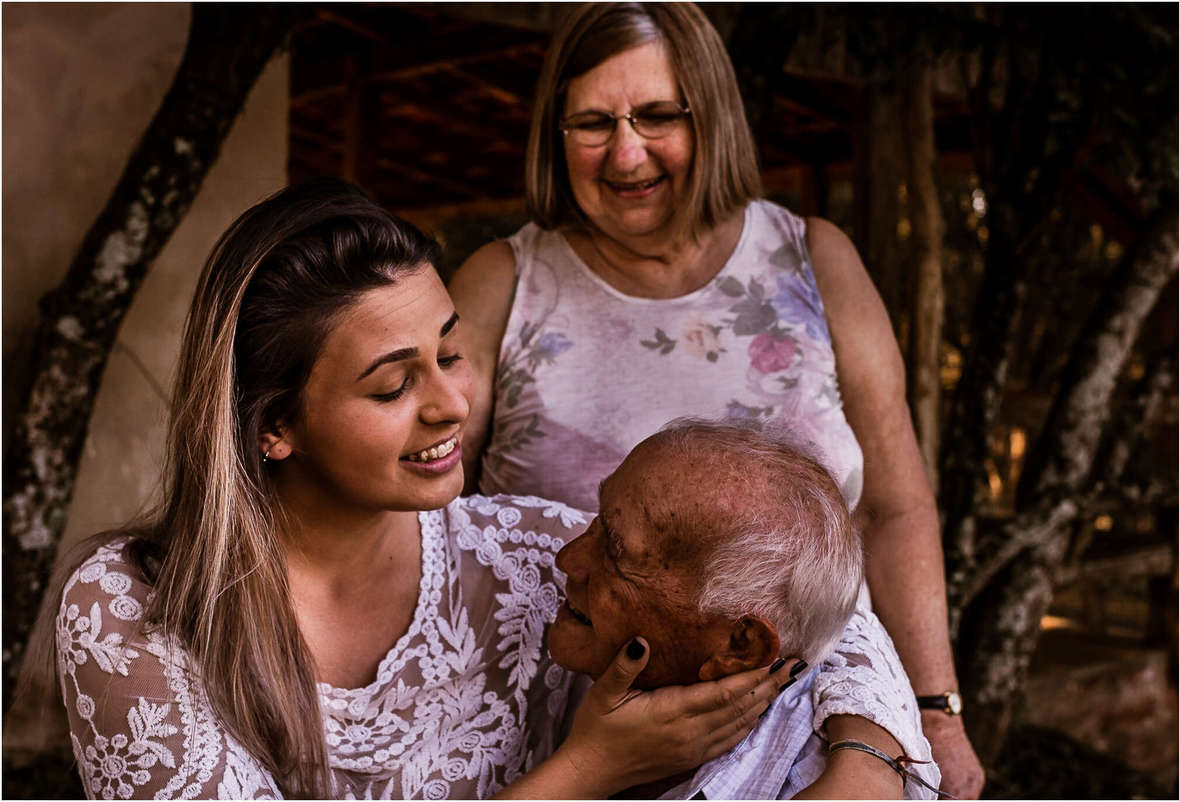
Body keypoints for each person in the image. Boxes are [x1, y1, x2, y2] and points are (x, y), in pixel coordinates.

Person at [41, 179, 799, 800]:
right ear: (274, 427)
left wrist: (873, 756)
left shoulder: (533, 556)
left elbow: (820, 612)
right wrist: (589, 770)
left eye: (450, 352)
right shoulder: (132, 610)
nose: (451, 403)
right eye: (394, 385)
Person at [449, 3, 985, 797]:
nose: (626, 152)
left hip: (823, 730)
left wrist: (936, 710)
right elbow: (418, 511)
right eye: (592, 123)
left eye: (658, 115)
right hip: (571, 732)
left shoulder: (814, 261)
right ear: (554, 136)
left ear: (713, 116)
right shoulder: (503, 283)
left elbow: (892, 509)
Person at [547, 418, 943, 799]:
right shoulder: (514, 561)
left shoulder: (809, 783)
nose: (566, 559)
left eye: (615, 553)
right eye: (596, 520)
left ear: (741, 645)